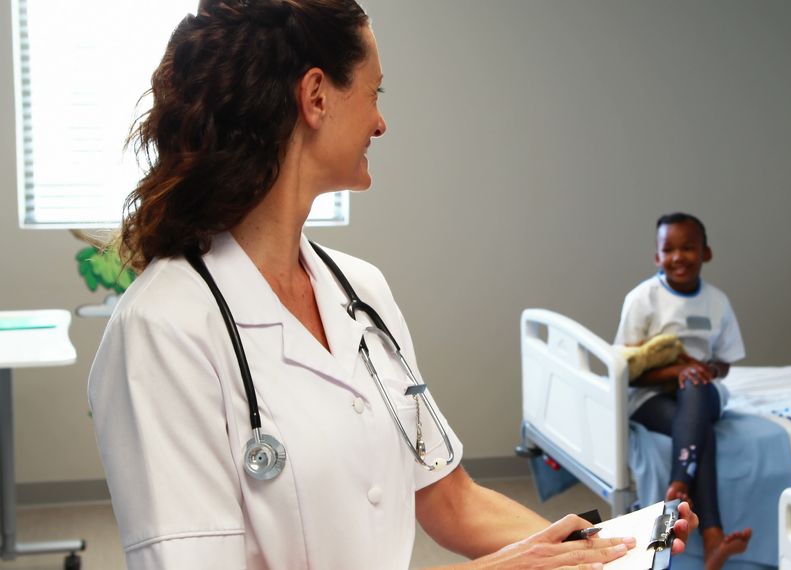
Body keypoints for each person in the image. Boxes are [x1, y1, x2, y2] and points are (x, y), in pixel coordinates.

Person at [87, 2, 696, 568]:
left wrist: (612, 550)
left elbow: (450, 500)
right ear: (316, 96)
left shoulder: (360, 290)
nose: (381, 121)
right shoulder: (162, 328)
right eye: (375, 92)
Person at [613, 212, 752, 569]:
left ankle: (679, 481)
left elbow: (726, 362)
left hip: (702, 393)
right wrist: (678, 369)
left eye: (688, 248)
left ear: (706, 253)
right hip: (650, 397)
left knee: (696, 391)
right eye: (669, 249)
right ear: (657, 257)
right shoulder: (643, 299)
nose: (678, 257)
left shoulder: (717, 301)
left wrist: (708, 369)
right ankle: (713, 539)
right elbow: (626, 370)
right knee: (698, 428)